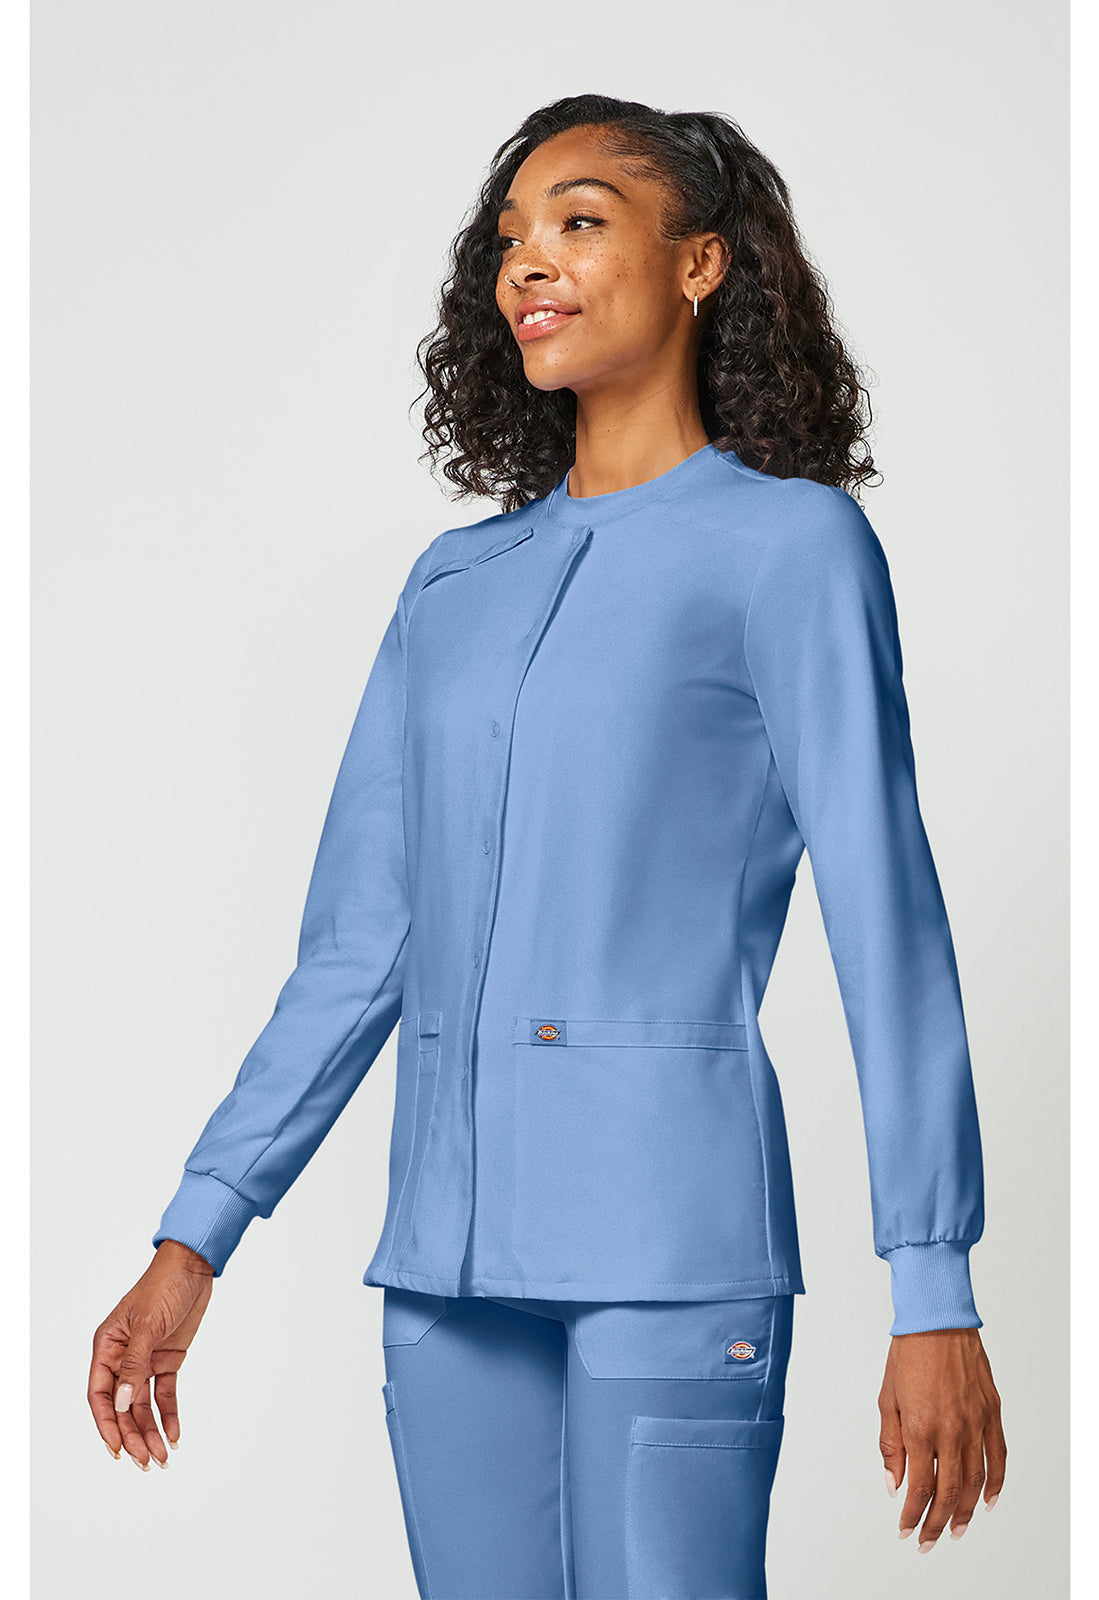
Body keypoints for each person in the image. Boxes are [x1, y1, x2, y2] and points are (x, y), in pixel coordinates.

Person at [87, 93, 1007, 1598]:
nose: (530, 260)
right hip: (443, 1272)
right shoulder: (453, 585)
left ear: (700, 263)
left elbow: (885, 918)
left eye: (581, 221)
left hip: (671, 1242)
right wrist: (195, 1238)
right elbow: (359, 951)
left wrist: (933, 1285)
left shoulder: (791, 548)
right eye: (512, 235)